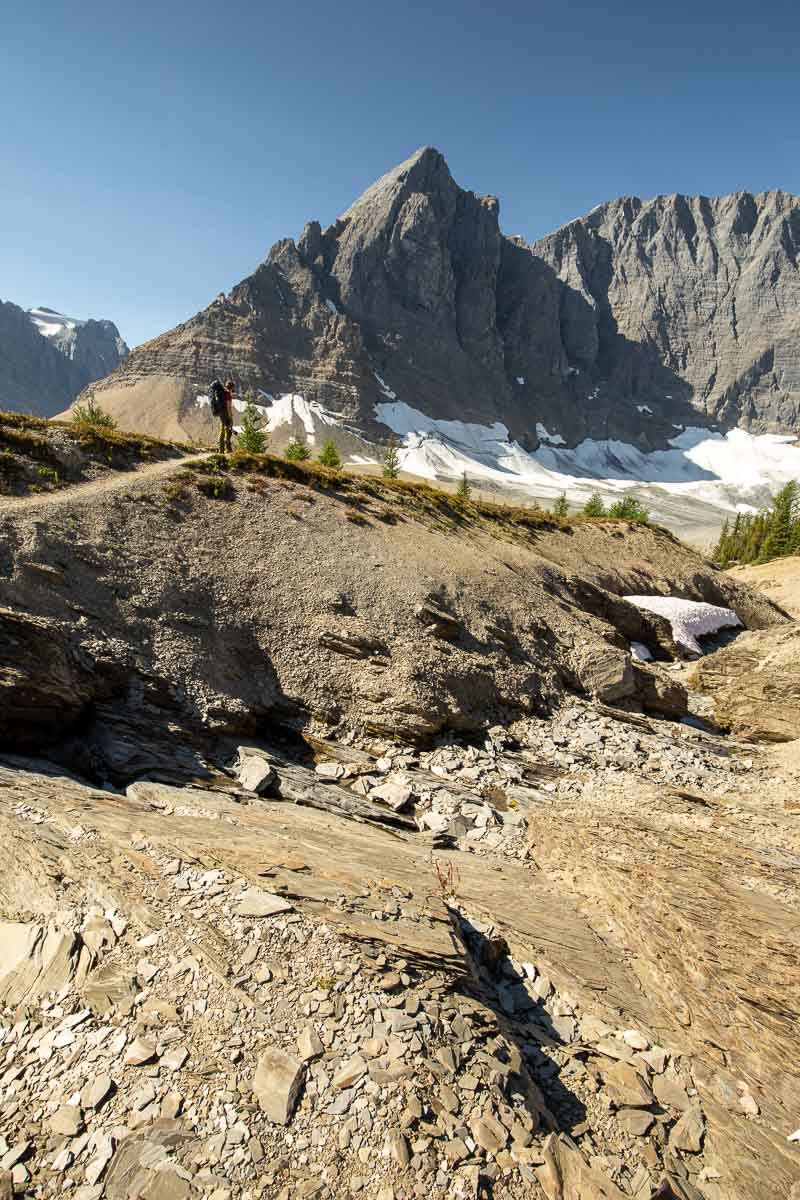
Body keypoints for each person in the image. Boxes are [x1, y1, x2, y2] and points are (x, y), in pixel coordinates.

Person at [210, 377, 234, 452]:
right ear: (231, 387)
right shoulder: (228, 394)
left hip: (221, 412)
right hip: (226, 413)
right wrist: (230, 417)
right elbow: (228, 406)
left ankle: (221, 448)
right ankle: (228, 448)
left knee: (222, 429)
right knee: (228, 429)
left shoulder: (222, 393)